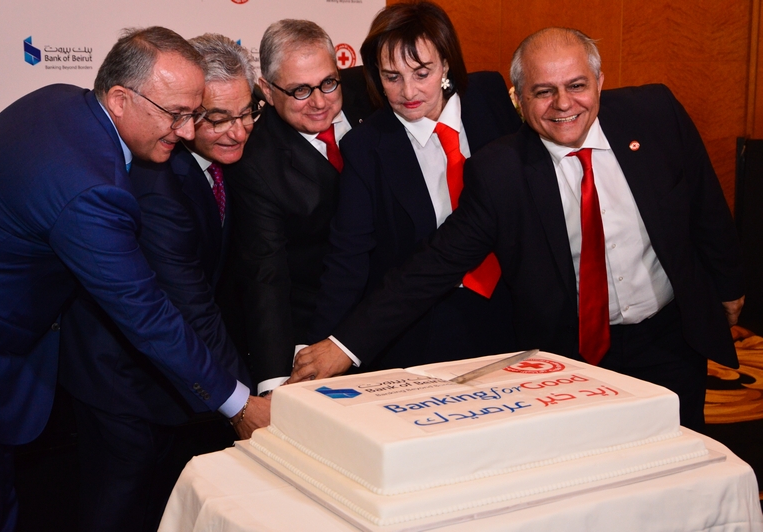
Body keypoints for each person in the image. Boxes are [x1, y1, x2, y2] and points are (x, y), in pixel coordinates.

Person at [291, 27, 744, 432]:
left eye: (577, 86)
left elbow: (706, 206)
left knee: (681, 461)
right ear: (519, 100)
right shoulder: (500, 171)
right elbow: (432, 264)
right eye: (544, 92)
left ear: (599, 81)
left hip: (670, 339)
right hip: (571, 359)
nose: (563, 104)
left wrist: (729, 287)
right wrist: (343, 346)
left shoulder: (656, 114)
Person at [0, 27, 268, 532]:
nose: (187, 132)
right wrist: (238, 406)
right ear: (121, 99)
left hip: (0, 340)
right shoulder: (91, 190)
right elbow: (147, 313)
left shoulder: (60, 100)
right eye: (176, 114)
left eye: (194, 114)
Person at [57, 34, 258, 532]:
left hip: (172, 378)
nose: (238, 130)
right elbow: (190, 305)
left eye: (247, 112)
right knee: (120, 508)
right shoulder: (157, 183)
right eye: (218, 118)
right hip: (123, 385)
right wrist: (246, 404)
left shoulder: (214, 162)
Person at [306, 1, 520, 372]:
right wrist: (324, 348)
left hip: (513, 311)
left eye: (422, 73)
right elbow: (348, 258)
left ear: (446, 63)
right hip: (423, 325)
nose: (408, 91)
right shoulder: (366, 146)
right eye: (392, 77)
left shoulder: (490, 97)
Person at [228, 19, 373, 396]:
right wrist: (275, 385)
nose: (320, 102)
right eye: (300, 91)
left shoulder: (372, 91)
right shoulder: (255, 162)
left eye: (328, 83)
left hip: (396, 313)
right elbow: (266, 276)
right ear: (267, 90)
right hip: (318, 333)